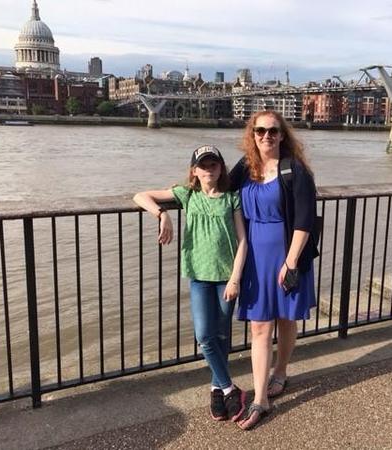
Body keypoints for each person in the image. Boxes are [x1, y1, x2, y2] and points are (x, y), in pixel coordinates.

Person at [133, 145, 248, 422]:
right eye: (203, 165)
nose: (209, 169)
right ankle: (231, 389)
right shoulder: (188, 195)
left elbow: (243, 240)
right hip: (199, 275)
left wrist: (235, 278)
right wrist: (163, 214)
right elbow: (140, 195)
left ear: (221, 168)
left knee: (220, 336)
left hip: (225, 278)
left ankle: (215, 389)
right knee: (205, 337)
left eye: (214, 164)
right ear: (194, 171)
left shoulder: (232, 198)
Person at [229, 111, 318, 430]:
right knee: (259, 327)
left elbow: (305, 218)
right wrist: (171, 199)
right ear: (252, 134)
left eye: (273, 131)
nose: (266, 136)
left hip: (285, 253)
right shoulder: (244, 167)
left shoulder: (295, 169)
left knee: (286, 318)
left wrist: (291, 261)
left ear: (282, 135)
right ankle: (261, 398)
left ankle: (280, 372)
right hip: (253, 256)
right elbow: (216, 189)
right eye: (260, 130)